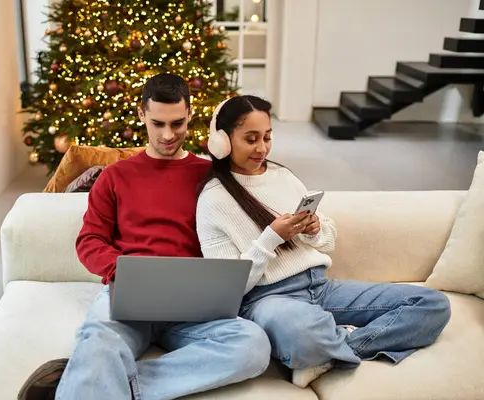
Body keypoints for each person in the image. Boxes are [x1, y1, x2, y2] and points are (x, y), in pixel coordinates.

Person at [196, 95, 451, 389]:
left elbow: (327, 239)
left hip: (321, 287)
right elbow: (228, 286)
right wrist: (271, 238)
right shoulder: (212, 201)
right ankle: (325, 341)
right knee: (299, 332)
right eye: (250, 139)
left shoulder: (283, 177)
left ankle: (330, 351)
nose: (262, 148)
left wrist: (313, 228)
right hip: (268, 300)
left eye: (267, 137)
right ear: (223, 142)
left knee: (432, 304)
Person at [55, 75, 271, 400]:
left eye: (177, 123)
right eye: (157, 123)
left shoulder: (211, 175)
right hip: (130, 295)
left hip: (194, 303)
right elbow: (89, 241)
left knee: (253, 344)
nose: (168, 135)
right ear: (142, 115)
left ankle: (123, 388)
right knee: (98, 340)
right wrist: (127, 271)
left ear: (190, 114)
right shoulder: (115, 177)